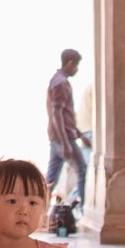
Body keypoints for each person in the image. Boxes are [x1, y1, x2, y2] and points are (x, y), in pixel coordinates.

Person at [45, 48, 89, 211]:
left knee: (50, 179)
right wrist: (65, 143)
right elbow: (57, 114)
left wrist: (79, 134)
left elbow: (63, 115)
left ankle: (41, 212)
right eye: (76, 66)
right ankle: (84, 210)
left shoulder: (56, 80)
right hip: (63, 138)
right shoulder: (61, 83)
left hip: (59, 136)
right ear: (70, 64)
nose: (76, 70)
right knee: (83, 171)